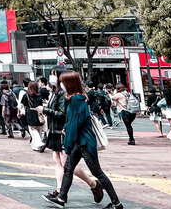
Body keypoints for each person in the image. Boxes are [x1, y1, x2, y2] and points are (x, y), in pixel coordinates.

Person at [43, 71, 122, 209]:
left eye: (62, 81)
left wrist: (67, 143)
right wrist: (67, 128)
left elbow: (75, 124)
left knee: (97, 172)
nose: (60, 83)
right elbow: (72, 121)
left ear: (69, 84)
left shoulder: (76, 100)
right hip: (80, 142)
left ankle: (116, 203)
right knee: (68, 168)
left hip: (84, 142)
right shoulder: (76, 98)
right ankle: (62, 198)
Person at [37, 68, 102, 203]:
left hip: (63, 131)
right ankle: (59, 190)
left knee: (67, 163)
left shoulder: (65, 94)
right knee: (58, 160)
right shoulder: (55, 92)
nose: (51, 77)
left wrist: (45, 110)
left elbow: (63, 114)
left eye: (54, 75)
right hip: (54, 131)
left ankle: (93, 184)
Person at [22, 81, 45, 152]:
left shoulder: (26, 95)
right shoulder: (40, 96)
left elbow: (24, 106)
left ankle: (38, 144)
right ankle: (36, 146)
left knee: (33, 130)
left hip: (30, 113)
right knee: (39, 130)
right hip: (39, 113)